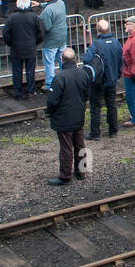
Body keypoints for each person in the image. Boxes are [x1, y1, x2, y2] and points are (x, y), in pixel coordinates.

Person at [45, 48, 90, 185]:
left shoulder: (60, 77)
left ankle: (65, 176)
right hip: (78, 116)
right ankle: (82, 172)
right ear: (75, 59)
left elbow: (52, 101)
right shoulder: (83, 74)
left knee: (66, 148)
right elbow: (86, 94)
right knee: (80, 145)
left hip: (64, 118)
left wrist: (51, 112)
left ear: (62, 60)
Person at [82, 19, 123, 138]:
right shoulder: (116, 42)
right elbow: (121, 60)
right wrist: (117, 74)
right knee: (111, 105)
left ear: (98, 30)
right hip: (112, 80)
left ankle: (95, 133)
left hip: (98, 81)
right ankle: (113, 130)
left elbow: (86, 58)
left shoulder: (96, 44)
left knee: (95, 107)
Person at [3, 0, 44, 99]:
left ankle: (18, 92)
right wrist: (35, 42)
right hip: (30, 48)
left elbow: (6, 33)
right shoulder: (34, 16)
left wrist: (10, 43)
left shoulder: (12, 17)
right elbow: (41, 33)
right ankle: (30, 91)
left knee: (16, 71)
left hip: (16, 48)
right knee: (30, 71)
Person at [38, 0, 68, 89]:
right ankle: (66, 79)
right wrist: (39, 4)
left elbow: (46, 27)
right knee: (62, 60)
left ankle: (49, 84)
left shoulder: (47, 10)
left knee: (49, 62)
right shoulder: (61, 3)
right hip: (62, 37)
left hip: (51, 41)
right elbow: (50, 5)